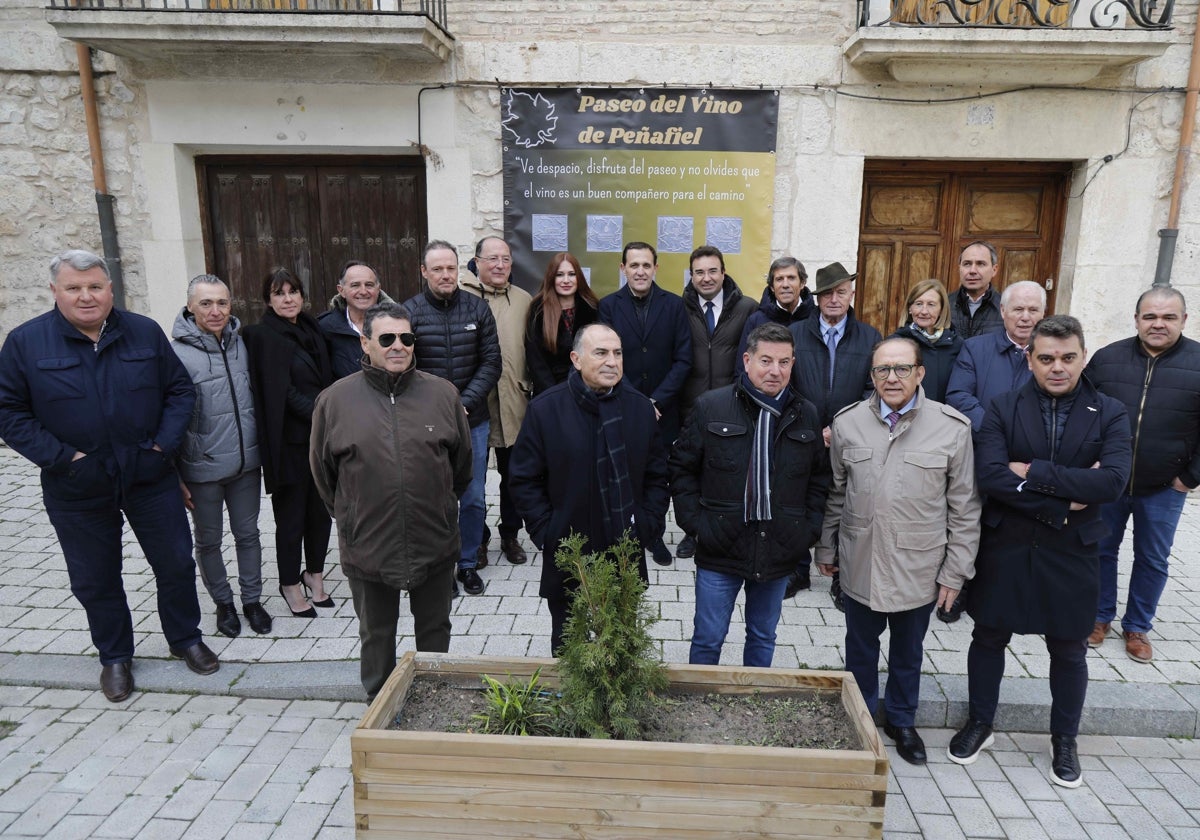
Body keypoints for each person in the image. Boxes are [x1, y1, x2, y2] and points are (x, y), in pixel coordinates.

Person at [0, 249, 218, 703]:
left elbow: (179, 391)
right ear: (55, 292)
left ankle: (185, 639)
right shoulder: (25, 343)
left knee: (176, 563)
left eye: (95, 286)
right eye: (74, 288)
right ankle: (115, 656)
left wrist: (161, 447)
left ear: (110, 289)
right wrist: (65, 459)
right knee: (95, 578)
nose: (86, 297)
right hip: (76, 485)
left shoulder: (143, 332)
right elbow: (10, 412)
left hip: (148, 475)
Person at [949, 315, 1131, 789]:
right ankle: (980, 723)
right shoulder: (1002, 406)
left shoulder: (1110, 411)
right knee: (988, 638)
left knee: (1069, 649)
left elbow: (1111, 481)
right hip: (1007, 544)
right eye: (1046, 358)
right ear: (1029, 359)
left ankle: (1064, 739)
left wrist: (1035, 473)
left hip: (1073, 551)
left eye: (1068, 358)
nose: (1057, 367)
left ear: (1082, 357)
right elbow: (991, 475)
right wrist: (1067, 496)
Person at [817, 336, 980, 765]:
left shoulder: (952, 428)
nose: (892, 378)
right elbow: (837, 493)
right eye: (882, 370)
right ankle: (862, 716)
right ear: (871, 376)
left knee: (908, 652)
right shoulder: (849, 423)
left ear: (920, 372)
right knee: (860, 648)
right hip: (861, 559)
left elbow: (965, 508)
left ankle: (903, 720)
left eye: (901, 368)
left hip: (918, 565)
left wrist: (955, 571)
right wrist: (825, 548)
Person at [310, 302, 472, 699]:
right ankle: (377, 701)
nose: (398, 346)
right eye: (387, 338)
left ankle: (436, 696)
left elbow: (462, 468)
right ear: (365, 344)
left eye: (406, 338)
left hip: (432, 537)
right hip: (369, 543)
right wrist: (352, 516)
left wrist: (440, 506)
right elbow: (323, 474)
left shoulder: (443, 394)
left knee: (435, 628)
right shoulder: (335, 401)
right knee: (376, 633)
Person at [670, 323, 830, 667]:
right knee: (708, 638)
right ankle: (699, 710)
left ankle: (756, 708)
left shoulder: (807, 414)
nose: (775, 371)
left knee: (762, 637)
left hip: (778, 549)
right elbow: (682, 469)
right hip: (719, 548)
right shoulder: (711, 407)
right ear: (747, 360)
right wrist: (697, 526)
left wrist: (806, 531)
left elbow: (819, 479)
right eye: (766, 361)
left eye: (784, 362)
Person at [509, 324, 669, 653]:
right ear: (576, 359)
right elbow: (524, 478)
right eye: (601, 353)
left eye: (618, 353)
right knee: (570, 651)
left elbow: (657, 474)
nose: (612, 361)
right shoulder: (546, 409)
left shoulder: (640, 409)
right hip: (571, 555)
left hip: (624, 551)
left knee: (620, 650)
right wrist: (546, 530)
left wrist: (648, 523)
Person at [1086, 286, 1200, 663]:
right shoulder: (1107, 360)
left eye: (1168, 317)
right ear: (1136, 319)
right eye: (1150, 316)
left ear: (1184, 320)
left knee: (1153, 557)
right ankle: (1099, 617)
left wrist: (1190, 477)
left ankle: (1137, 626)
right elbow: (1082, 411)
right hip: (1111, 483)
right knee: (1101, 549)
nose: (1158, 324)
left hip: (1166, 486)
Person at [172, 274, 272, 638]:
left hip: (246, 464)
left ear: (231, 306)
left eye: (222, 303)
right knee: (209, 540)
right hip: (203, 468)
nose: (215, 311)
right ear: (190, 308)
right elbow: (167, 416)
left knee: (248, 534)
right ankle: (224, 603)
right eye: (206, 303)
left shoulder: (242, 344)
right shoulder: (175, 353)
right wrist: (175, 474)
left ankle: (251, 600)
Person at [403, 240, 501, 596]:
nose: (446, 275)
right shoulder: (409, 312)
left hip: (472, 421)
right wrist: (438, 406)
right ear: (424, 271)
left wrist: (463, 403)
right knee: (433, 497)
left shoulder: (477, 309)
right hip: (427, 424)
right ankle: (438, 566)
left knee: (473, 496)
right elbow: (403, 366)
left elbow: (492, 363)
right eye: (438, 269)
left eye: (450, 268)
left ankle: (468, 563)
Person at [242, 267, 336, 618]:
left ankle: (314, 573)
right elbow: (280, 391)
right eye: (279, 293)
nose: (287, 299)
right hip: (290, 442)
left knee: (321, 513)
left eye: (293, 291)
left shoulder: (312, 328)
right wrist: (322, 411)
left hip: (320, 439)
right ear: (268, 299)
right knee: (292, 518)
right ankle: (288, 583)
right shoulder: (263, 336)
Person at [789, 261, 882, 604]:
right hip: (802, 435)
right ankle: (797, 570)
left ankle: (842, 577)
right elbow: (788, 384)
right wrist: (814, 427)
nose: (833, 299)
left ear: (851, 295)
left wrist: (839, 427)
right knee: (798, 501)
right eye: (826, 293)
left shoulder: (870, 337)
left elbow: (873, 389)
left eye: (840, 292)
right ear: (815, 297)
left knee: (847, 506)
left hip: (852, 438)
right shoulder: (796, 334)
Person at [598, 241, 691, 567]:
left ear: (655, 268)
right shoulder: (608, 306)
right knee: (624, 472)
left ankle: (654, 534)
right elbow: (605, 361)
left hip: (663, 410)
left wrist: (656, 400)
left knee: (657, 475)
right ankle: (625, 535)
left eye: (646, 265)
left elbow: (683, 359)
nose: (640, 271)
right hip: (621, 406)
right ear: (623, 269)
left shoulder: (674, 305)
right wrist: (639, 403)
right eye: (633, 265)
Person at [676, 244, 757, 561]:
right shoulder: (677, 307)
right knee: (691, 470)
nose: (706, 278)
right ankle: (691, 533)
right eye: (699, 272)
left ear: (723, 273)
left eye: (712, 271)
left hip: (733, 405)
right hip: (690, 405)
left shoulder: (747, 308)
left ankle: (730, 531)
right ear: (691, 275)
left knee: (728, 471)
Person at [461, 236, 533, 567]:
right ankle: (477, 539)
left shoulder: (523, 300)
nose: (500, 265)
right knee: (473, 482)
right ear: (476, 263)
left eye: (505, 259)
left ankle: (510, 534)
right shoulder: (462, 297)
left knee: (514, 477)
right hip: (474, 406)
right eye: (492, 259)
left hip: (514, 401)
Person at [945, 280, 1046, 432]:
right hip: (984, 443)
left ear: (1043, 313)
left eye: (1033, 310)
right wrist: (992, 429)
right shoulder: (975, 349)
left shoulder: (1053, 356)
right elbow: (958, 396)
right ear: (1003, 311)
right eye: (1018, 309)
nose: (1025, 317)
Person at [525, 252, 599, 396]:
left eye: (571, 274)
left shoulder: (593, 308)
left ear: (579, 278)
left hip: (588, 391)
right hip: (550, 392)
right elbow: (536, 361)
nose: (566, 280)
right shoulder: (538, 310)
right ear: (551, 278)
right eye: (559, 275)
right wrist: (554, 395)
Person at [735, 256, 813, 374]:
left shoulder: (816, 317)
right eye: (779, 279)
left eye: (791, 278)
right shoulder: (755, 320)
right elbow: (743, 369)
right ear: (772, 287)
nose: (785, 284)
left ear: (802, 283)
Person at [890, 278, 962, 403]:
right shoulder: (894, 343)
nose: (924, 311)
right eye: (918, 304)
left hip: (944, 417)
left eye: (931, 304)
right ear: (910, 308)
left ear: (941, 310)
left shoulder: (957, 345)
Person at [317, 260, 391, 380]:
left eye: (369, 285)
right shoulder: (326, 327)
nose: (363, 291)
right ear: (341, 290)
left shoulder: (396, 324)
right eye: (355, 285)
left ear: (378, 289)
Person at [949, 241, 1004, 340]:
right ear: (959, 268)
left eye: (980, 264)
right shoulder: (944, 305)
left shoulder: (1005, 308)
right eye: (967, 264)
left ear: (994, 270)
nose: (972, 271)